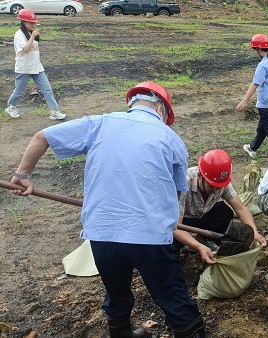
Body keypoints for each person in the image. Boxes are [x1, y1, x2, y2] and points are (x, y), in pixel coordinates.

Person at [9, 82, 206, 338]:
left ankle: (121, 333)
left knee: (116, 291)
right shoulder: (171, 138)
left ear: (132, 104)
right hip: (150, 234)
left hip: (102, 232)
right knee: (172, 296)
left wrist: (23, 174)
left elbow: (42, 136)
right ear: (161, 109)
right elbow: (176, 193)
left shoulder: (99, 123)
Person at [173, 149, 267, 256]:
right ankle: (188, 249)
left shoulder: (221, 181)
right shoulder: (184, 183)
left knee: (224, 212)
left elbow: (241, 208)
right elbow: (175, 226)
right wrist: (199, 248)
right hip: (182, 220)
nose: (216, 190)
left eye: (219, 187)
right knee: (170, 248)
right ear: (200, 175)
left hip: (202, 214)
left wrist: (254, 231)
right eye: (212, 186)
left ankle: (201, 240)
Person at [5, 10, 65, 120]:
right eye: (31, 22)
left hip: (37, 67)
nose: (33, 24)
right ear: (23, 22)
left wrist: (33, 35)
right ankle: (11, 107)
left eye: (34, 22)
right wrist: (32, 36)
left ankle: (54, 112)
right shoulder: (19, 35)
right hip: (24, 68)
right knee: (19, 91)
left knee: (47, 90)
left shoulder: (30, 32)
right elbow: (26, 49)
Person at [235, 33, 268, 158]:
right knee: (263, 128)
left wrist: (244, 101)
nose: (254, 53)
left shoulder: (263, 65)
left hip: (266, 105)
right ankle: (252, 148)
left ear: (259, 49)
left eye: (254, 50)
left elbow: (255, 84)